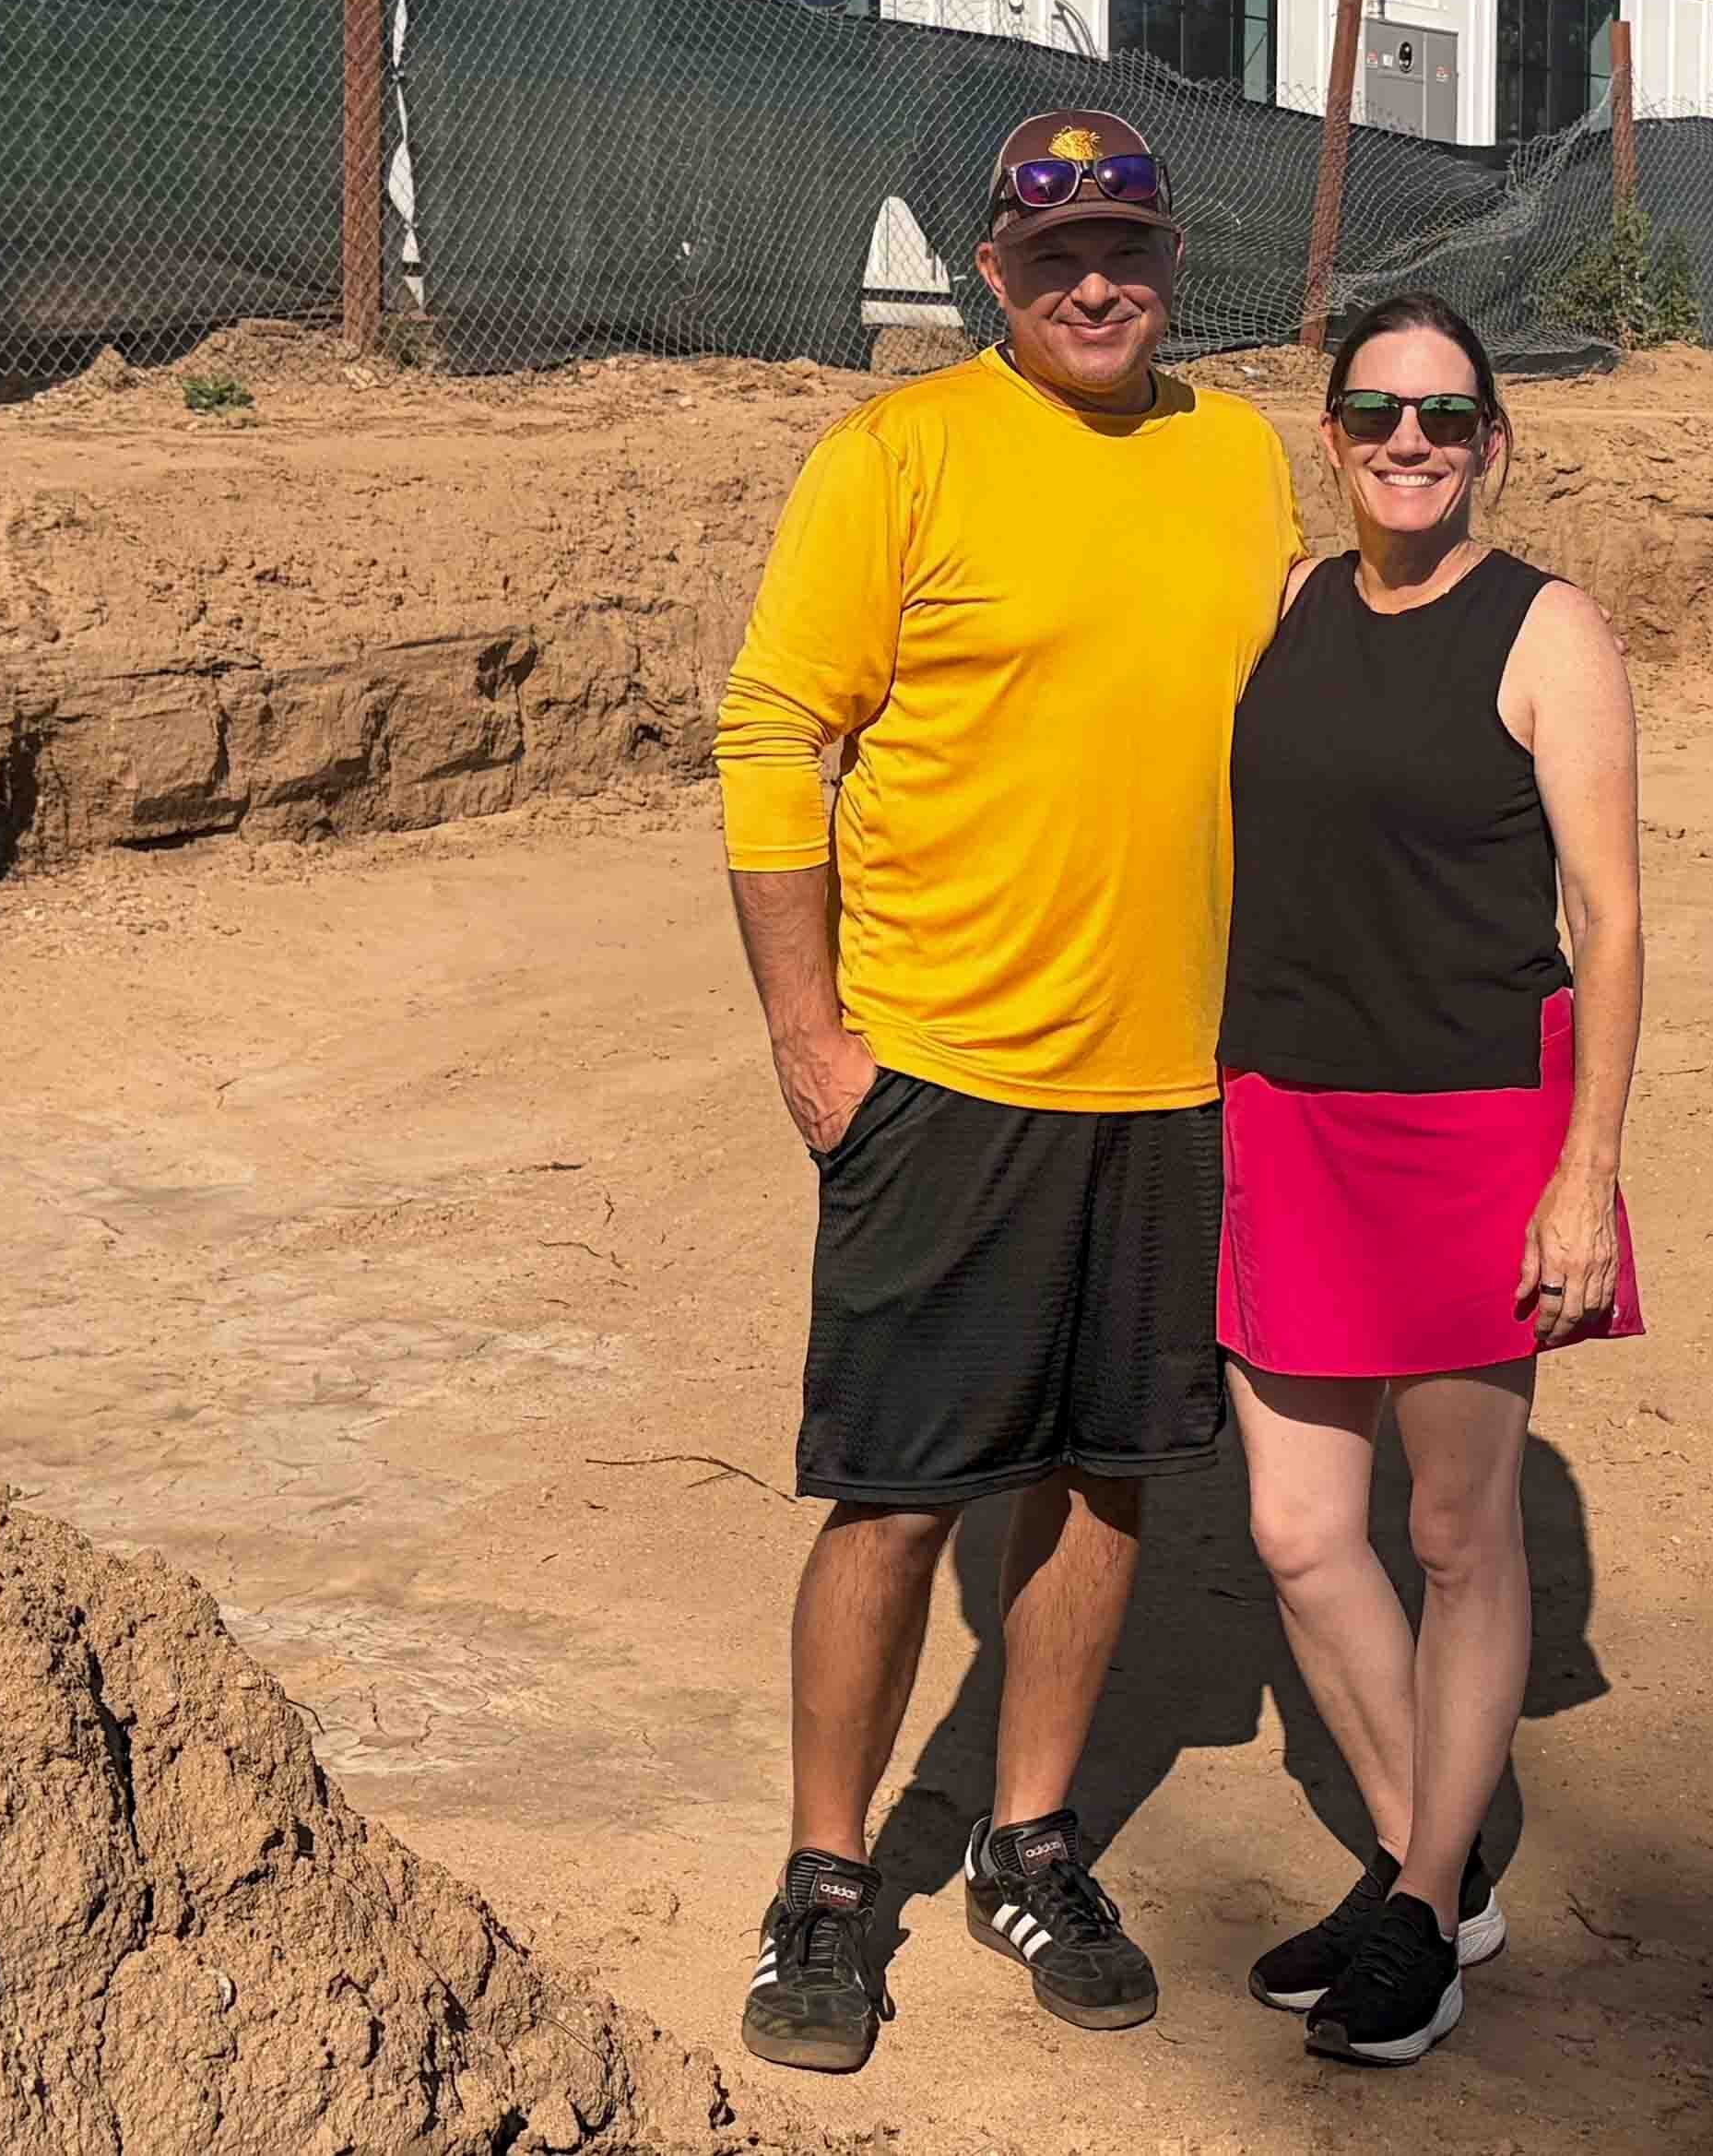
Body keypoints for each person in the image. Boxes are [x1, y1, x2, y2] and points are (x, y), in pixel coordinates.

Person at [713, 109, 1301, 2078]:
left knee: (1106, 1468)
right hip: (947, 1071)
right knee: (896, 1494)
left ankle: (1034, 1836)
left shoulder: (1238, 460)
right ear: (994, 271)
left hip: (1172, 1084)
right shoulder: (897, 455)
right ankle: (823, 1875)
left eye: (1124, 243)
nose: (1094, 281)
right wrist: (814, 1038)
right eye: (1054, 256)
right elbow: (773, 734)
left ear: (1169, 254)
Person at [1214, 289, 1648, 2069]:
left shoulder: (1551, 631)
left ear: (1494, 443)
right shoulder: (1300, 602)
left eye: (1448, 418)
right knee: (1303, 1530)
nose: (1412, 442)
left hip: (1476, 1121)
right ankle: (1430, 1869)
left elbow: (1610, 920)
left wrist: (1583, 1172)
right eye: (1381, 412)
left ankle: (1421, 1897)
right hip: (1287, 1110)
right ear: (1331, 432)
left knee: (1460, 1532)